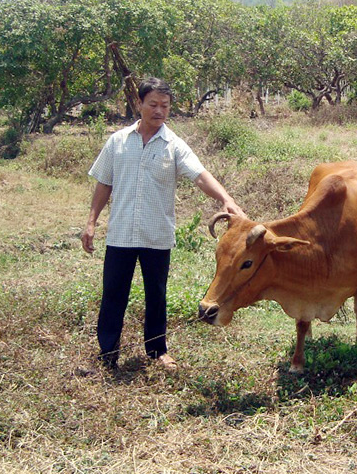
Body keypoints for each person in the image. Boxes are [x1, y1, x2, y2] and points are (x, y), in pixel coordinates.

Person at [81, 77, 245, 371]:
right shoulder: (117, 141)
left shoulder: (174, 145)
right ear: (139, 104)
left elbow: (199, 175)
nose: (159, 111)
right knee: (113, 294)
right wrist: (91, 222)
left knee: (156, 294)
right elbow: (104, 183)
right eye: (153, 104)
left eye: (165, 106)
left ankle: (157, 350)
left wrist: (226, 199)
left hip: (156, 235)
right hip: (120, 234)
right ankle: (108, 353)